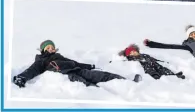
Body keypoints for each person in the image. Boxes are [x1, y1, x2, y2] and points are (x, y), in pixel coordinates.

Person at [12, 40, 141, 88]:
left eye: (52, 47)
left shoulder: (60, 56)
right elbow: (33, 69)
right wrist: (22, 77)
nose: (51, 49)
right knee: (89, 87)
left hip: (77, 70)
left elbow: (75, 63)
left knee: (103, 75)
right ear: (43, 50)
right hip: (67, 75)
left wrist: (90, 66)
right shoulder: (42, 60)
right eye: (48, 47)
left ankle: (128, 82)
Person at [119, 44, 185, 80]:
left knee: (162, 68)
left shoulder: (144, 55)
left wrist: (158, 61)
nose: (133, 53)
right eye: (131, 53)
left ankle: (173, 75)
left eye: (133, 51)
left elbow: (152, 58)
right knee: (149, 69)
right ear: (129, 55)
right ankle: (156, 76)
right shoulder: (132, 59)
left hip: (153, 64)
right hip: (147, 68)